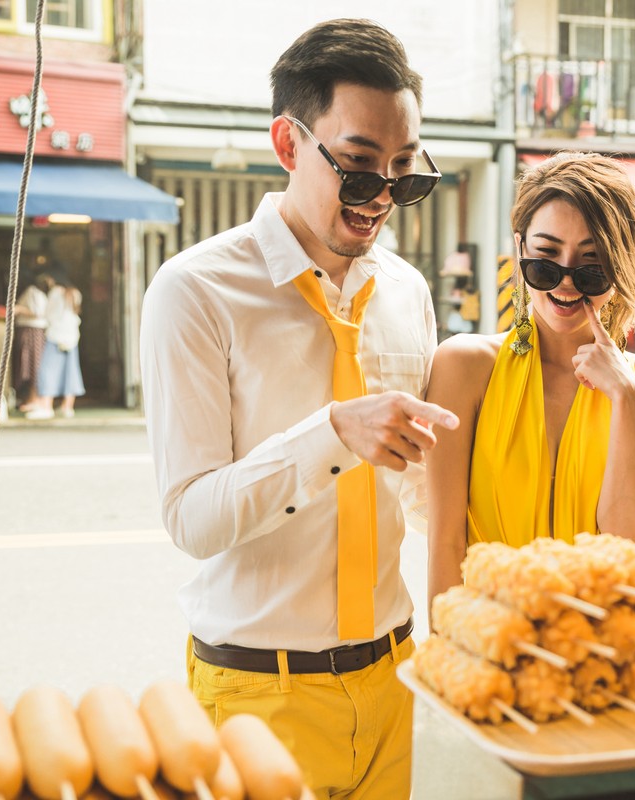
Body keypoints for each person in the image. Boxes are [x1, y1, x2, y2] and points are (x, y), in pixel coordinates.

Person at [139, 18, 457, 799]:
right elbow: (192, 518)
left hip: (397, 679)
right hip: (257, 696)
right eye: (356, 167)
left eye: (403, 173)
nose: (381, 197)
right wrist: (334, 433)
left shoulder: (408, 292)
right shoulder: (195, 292)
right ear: (288, 144)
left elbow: (417, 496)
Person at [425, 152, 635, 601]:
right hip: (490, 640)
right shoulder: (464, 366)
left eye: (591, 266)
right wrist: (445, 659)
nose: (565, 284)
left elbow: (626, 545)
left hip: (599, 650)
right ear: (520, 249)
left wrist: (627, 398)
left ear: (621, 265)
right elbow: (445, 542)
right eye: (546, 259)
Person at [26, 268, 83, 420]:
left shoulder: (56, 293)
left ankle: (46, 406)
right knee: (70, 372)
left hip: (56, 336)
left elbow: (48, 314)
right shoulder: (76, 293)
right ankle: (67, 407)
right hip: (72, 338)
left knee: (47, 370)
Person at [13, 272, 50, 412]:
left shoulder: (33, 292)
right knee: (32, 365)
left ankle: (34, 399)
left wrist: (18, 309)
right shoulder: (39, 294)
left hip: (32, 331)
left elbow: (37, 312)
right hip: (35, 331)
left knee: (32, 365)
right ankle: (30, 399)